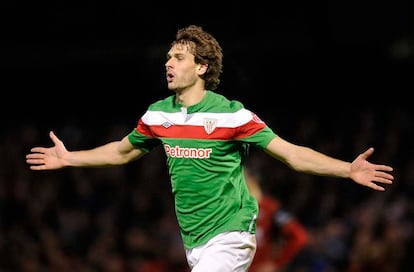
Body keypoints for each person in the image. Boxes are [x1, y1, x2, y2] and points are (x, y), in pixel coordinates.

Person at [25, 25, 394, 272]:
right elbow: (122, 152)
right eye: (168, 57)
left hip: (232, 232)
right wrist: (69, 157)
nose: (168, 63)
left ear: (201, 67)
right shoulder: (158, 114)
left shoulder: (232, 115)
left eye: (178, 58)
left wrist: (347, 168)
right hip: (194, 239)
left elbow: (292, 153)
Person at [245, 164, 309, 272]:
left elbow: (299, 236)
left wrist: (275, 264)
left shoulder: (270, 208)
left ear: (253, 180)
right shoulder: (227, 208)